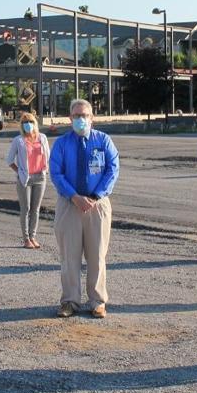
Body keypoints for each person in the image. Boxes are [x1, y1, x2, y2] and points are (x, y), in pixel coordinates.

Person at [50, 99, 119, 319]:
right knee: (69, 256)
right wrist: (74, 196)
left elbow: (112, 169)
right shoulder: (62, 144)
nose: (81, 119)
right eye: (77, 116)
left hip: (97, 205)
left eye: (85, 115)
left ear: (92, 118)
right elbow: (56, 173)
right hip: (69, 204)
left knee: (97, 255)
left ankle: (97, 301)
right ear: (70, 118)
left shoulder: (103, 141)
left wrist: (95, 196)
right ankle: (70, 301)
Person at [6, 112, 51, 249]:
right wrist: (19, 172)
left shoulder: (42, 138)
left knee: (36, 209)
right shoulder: (18, 140)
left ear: (35, 123)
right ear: (21, 125)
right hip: (25, 179)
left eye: (30, 122)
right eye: (25, 122)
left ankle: (33, 237)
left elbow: (48, 156)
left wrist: (46, 169)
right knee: (25, 209)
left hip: (40, 178)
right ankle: (26, 239)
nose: (28, 125)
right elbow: (9, 160)